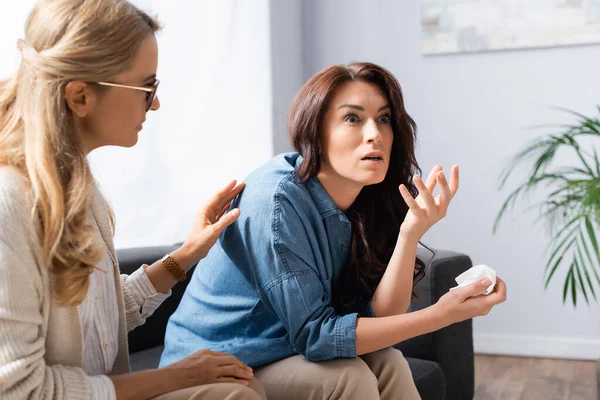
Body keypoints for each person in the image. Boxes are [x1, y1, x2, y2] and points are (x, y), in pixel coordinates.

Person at [160, 61, 507, 399]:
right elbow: (318, 336)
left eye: (383, 119)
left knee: (388, 362)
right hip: (214, 364)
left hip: (278, 352)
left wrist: (410, 232)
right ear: (316, 130)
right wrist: (439, 315)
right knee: (348, 378)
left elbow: (381, 315)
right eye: (352, 118)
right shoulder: (276, 203)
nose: (375, 134)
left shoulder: (365, 196)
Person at [0, 1, 266, 399]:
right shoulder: (11, 206)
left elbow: (95, 326)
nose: (155, 103)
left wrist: (185, 256)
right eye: (147, 87)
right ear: (79, 97)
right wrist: (176, 376)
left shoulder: (76, 186)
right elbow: (20, 390)